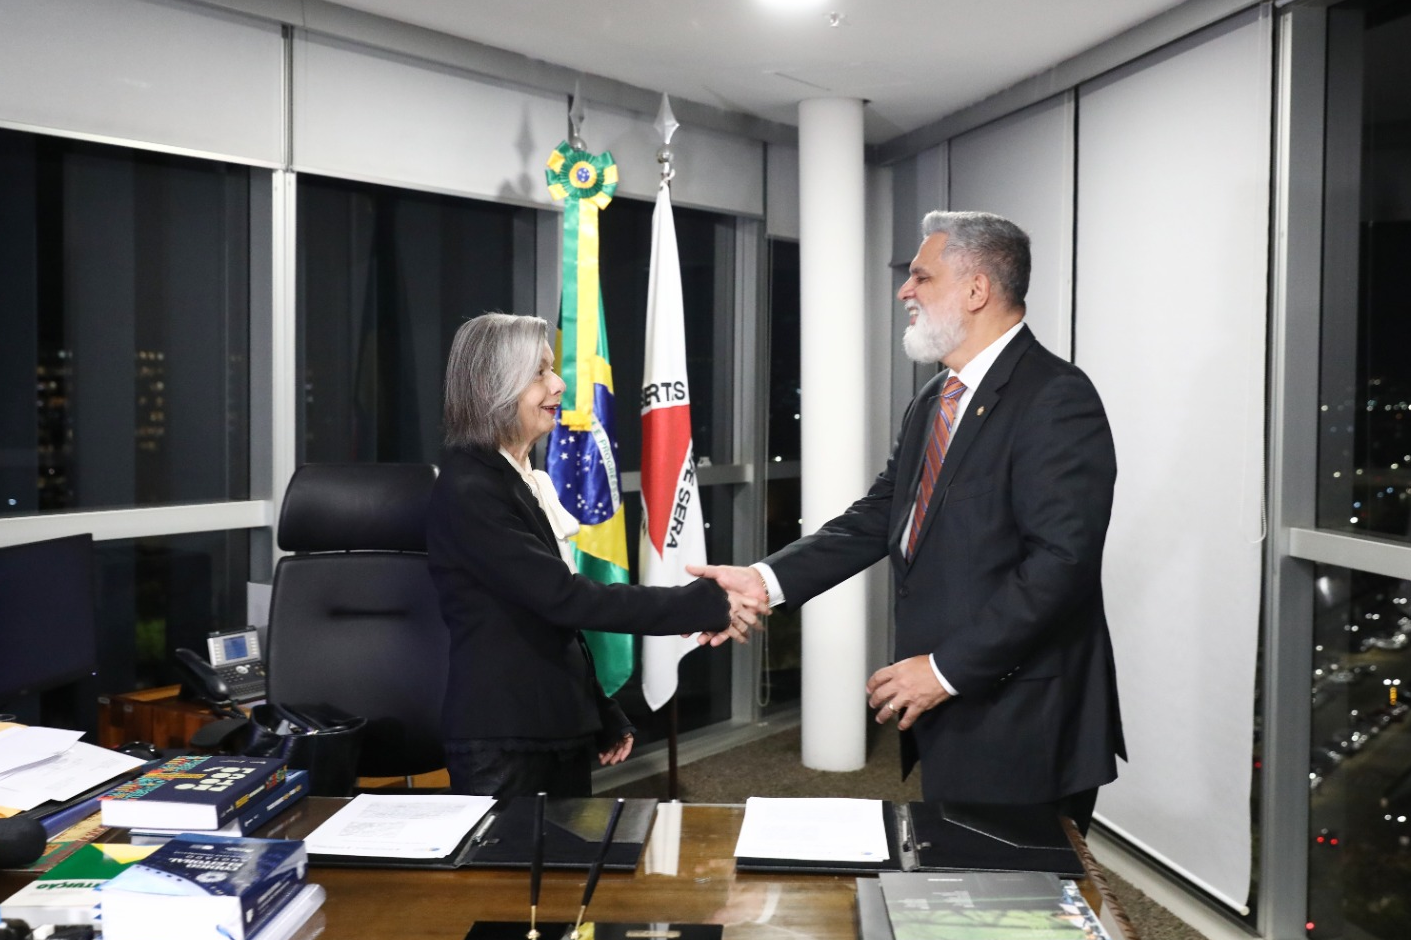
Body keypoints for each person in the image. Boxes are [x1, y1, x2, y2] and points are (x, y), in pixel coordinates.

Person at [693, 211, 1124, 832]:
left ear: (976, 290)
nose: (905, 291)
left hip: (1023, 715)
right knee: (962, 893)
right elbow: (880, 516)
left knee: (1016, 909)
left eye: (920, 276)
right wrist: (768, 580)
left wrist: (945, 669)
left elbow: (1060, 565)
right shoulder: (935, 398)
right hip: (954, 703)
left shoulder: (1056, 396)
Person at [427, 312, 764, 798]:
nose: (559, 385)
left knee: (567, 868)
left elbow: (546, 622)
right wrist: (705, 603)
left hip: (546, 723)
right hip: (505, 738)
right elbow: (564, 598)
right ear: (492, 386)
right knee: (515, 873)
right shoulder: (470, 488)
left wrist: (599, 709)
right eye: (539, 373)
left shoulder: (517, 477)